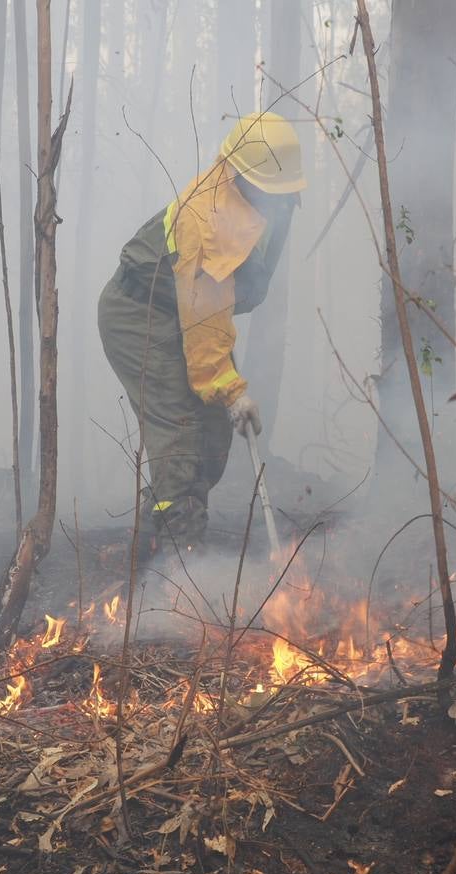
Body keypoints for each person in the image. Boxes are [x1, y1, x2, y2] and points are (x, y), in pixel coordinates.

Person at [98, 112, 306, 558]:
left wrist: (225, 396)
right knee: (181, 429)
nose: (281, 203)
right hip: (140, 313)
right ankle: (178, 570)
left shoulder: (266, 202)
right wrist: (231, 390)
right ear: (243, 177)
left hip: (186, 311)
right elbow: (204, 319)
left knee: (213, 435)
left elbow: (219, 306)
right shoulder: (207, 223)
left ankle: (148, 544)